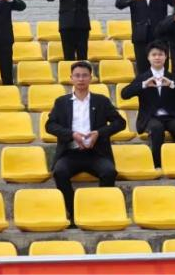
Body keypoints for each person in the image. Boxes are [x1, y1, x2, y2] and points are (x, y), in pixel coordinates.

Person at [45, 61, 126, 226]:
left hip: (96, 153)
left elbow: (120, 123)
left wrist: (98, 133)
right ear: (71, 78)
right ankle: (74, 213)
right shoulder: (61, 102)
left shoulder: (101, 101)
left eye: (84, 75)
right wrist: (72, 135)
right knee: (59, 172)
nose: (81, 79)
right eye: (77, 76)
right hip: (70, 153)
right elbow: (50, 125)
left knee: (109, 172)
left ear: (91, 78)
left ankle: (101, 211)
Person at [120, 41, 175, 168]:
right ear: (148, 57)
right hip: (150, 117)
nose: (157, 57)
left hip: (171, 117)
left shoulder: (172, 77)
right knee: (156, 128)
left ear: (166, 57)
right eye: (154, 55)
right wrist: (143, 85)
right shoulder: (143, 77)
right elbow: (124, 94)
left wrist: (172, 84)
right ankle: (157, 165)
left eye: (160, 54)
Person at [114, 0, 175, 73]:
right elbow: (118, 4)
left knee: (162, 70)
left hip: (160, 37)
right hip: (140, 37)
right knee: (142, 71)